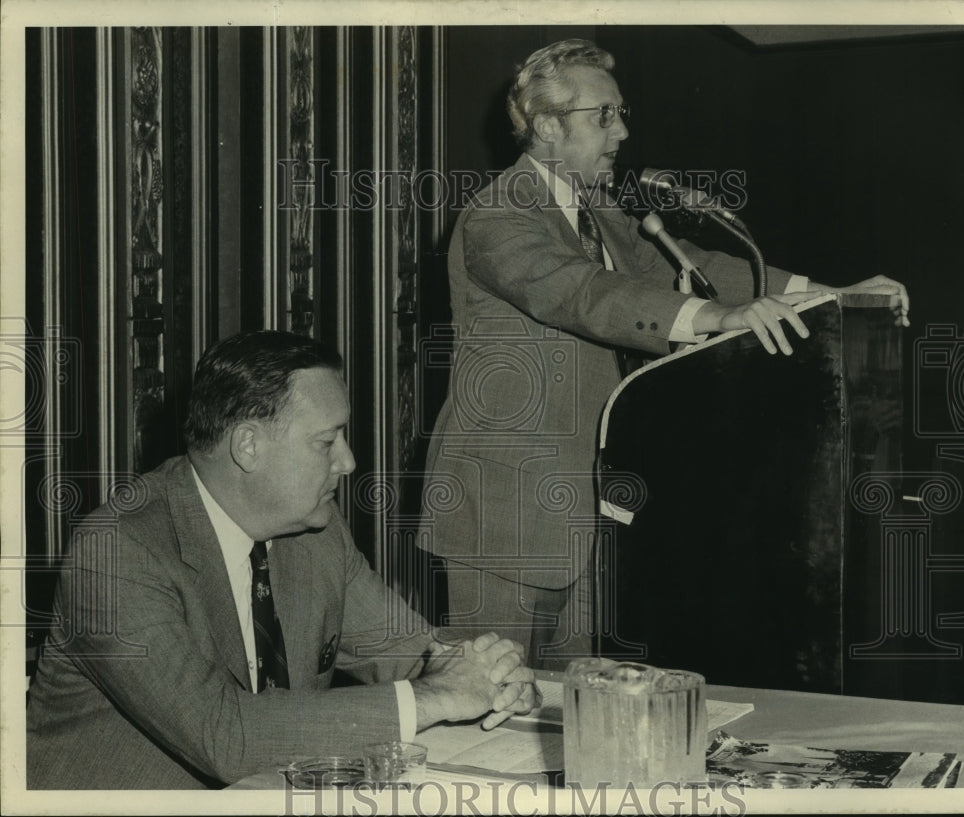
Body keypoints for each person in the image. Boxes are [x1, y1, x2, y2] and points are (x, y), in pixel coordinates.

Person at [420, 38, 910, 669]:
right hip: (505, 515)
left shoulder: (597, 209)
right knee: (488, 699)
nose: (621, 130)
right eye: (603, 116)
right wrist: (720, 318)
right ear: (545, 126)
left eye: (621, 113)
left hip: (586, 507)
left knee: (568, 710)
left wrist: (832, 293)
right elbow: (583, 293)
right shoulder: (500, 212)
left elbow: (692, 265)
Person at [26, 330, 537, 789]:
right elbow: (226, 737)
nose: (348, 461)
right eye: (326, 441)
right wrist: (441, 696)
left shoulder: (315, 532)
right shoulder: (116, 553)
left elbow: (410, 651)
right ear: (248, 445)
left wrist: (485, 672)